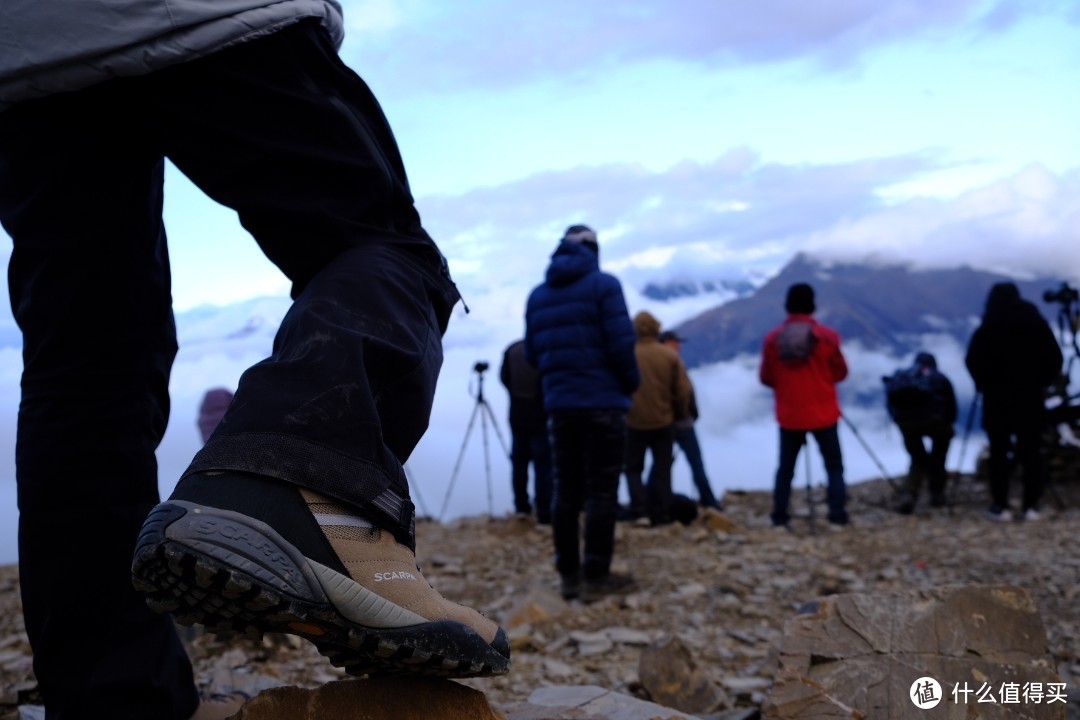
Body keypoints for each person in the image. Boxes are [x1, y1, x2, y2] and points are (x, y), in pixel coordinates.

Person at [0, 5, 509, 719]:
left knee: (85, 369)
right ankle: (307, 490)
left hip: (25, 57)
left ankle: (109, 698)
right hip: (204, 16)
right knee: (382, 249)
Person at [524, 224, 640, 602]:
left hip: (560, 406)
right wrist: (630, 384)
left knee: (565, 492)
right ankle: (595, 576)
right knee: (601, 492)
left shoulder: (537, 296)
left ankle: (568, 577)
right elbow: (622, 345)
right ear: (594, 249)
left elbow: (532, 356)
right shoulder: (604, 286)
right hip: (604, 404)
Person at [965, 282, 1063, 522]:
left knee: (999, 451)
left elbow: (973, 360)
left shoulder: (988, 326)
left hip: (997, 400)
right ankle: (1031, 506)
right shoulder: (1036, 323)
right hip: (1030, 398)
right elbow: (1055, 358)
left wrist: (984, 383)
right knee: (1031, 452)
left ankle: (1000, 505)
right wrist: (1042, 383)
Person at [759, 283, 850, 528]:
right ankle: (837, 516)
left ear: (787, 306)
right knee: (833, 466)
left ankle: (779, 518)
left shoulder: (772, 340)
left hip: (790, 414)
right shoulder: (828, 337)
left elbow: (766, 378)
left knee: (786, 469)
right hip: (824, 412)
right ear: (812, 305)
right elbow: (841, 372)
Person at [623, 313, 692, 526]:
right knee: (662, 468)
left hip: (633, 420)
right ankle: (661, 513)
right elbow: (683, 390)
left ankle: (640, 510)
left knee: (633, 468)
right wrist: (679, 413)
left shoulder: (626, 354)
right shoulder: (669, 356)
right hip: (663, 420)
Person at [883, 352, 958, 514]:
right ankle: (937, 494)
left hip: (906, 422)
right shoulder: (939, 377)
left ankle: (908, 494)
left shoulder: (903, 377)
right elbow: (952, 406)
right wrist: (949, 423)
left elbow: (890, 404)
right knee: (939, 455)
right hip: (937, 421)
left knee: (917, 458)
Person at [659, 330, 722, 511]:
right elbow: (685, 392)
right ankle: (709, 501)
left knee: (662, 464)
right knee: (695, 463)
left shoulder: (656, 362)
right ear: (667, 342)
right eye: (675, 342)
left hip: (663, 422)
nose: (679, 346)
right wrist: (689, 413)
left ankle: (658, 500)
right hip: (681, 422)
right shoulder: (674, 362)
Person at [499, 338, 552, 523]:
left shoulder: (511, 349)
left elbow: (504, 377)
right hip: (540, 416)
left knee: (519, 464)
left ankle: (522, 508)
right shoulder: (544, 349)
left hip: (517, 415)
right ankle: (544, 512)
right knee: (543, 466)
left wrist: (515, 395)